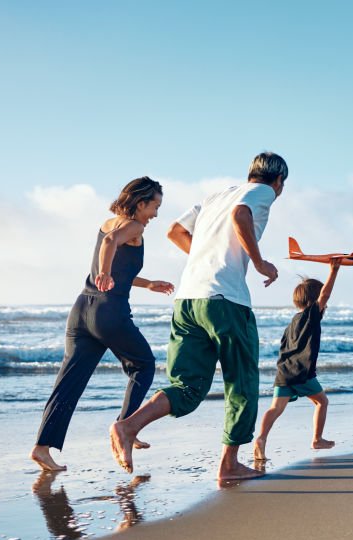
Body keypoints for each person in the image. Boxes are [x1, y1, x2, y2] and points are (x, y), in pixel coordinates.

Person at [109, 152, 287, 483]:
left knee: (187, 386)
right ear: (278, 181)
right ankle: (230, 465)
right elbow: (241, 214)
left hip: (188, 300)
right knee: (242, 381)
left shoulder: (214, 196)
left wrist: (209, 256)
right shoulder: (262, 191)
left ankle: (128, 425)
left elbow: (175, 231)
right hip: (225, 301)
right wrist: (259, 262)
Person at [30, 177, 174, 472]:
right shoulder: (135, 226)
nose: (156, 214)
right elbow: (110, 248)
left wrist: (148, 284)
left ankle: (41, 448)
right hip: (109, 311)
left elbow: (112, 258)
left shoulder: (110, 222)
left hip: (82, 309)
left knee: (69, 383)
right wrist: (107, 273)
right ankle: (126, 428)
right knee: (143, 365)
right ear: (141, 201)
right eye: (155, 206)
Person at [254, 259, 342, 461]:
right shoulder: (312, 315)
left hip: (283, 372)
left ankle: (261, 438)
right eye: (322, 301)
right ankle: (317, 439)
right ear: (315, 301)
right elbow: (325, 294)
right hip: (302, 373)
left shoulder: (292, 322)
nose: (325, 303)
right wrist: (334, 271)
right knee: (322, 402)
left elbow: (283, 347)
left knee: (275, 408)